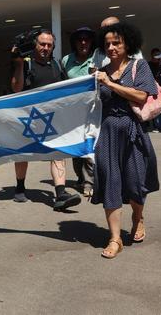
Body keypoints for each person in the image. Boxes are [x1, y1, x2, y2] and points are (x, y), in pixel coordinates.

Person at [93, 22, 160, 259]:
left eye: (116, 43)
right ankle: (115, 238)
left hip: (133, 130)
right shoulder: (98, 71)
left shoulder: (138, 66)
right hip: (107, 133)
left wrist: (110, 84)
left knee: (135, 182)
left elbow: (142, 95)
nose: (111, 47)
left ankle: (137, 216)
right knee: (110, 182)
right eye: (107, 43)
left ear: (127, 44)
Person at [10, 29, 82, 211]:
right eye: (42, 44)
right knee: (22, 153)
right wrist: (18, 64)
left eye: (49, 45)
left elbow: (66, 90)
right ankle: (20, 187)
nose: (45, 48)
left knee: (58, 152)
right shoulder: (25, 64)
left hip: (53, 118)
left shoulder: (57, 65)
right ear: (35, 45)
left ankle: (60, 193)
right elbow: (16, 88)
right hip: (28, 117)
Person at [61, 27, 96, 197]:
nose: (83, 42)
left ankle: (90, 182)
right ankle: (80, 178)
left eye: (87, 39)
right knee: (75, 149)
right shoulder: (66, 60)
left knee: (89, 148)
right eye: (80, 39)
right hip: (73, 113)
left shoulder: (97, 58)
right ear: (74, 42)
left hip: (93, 111)